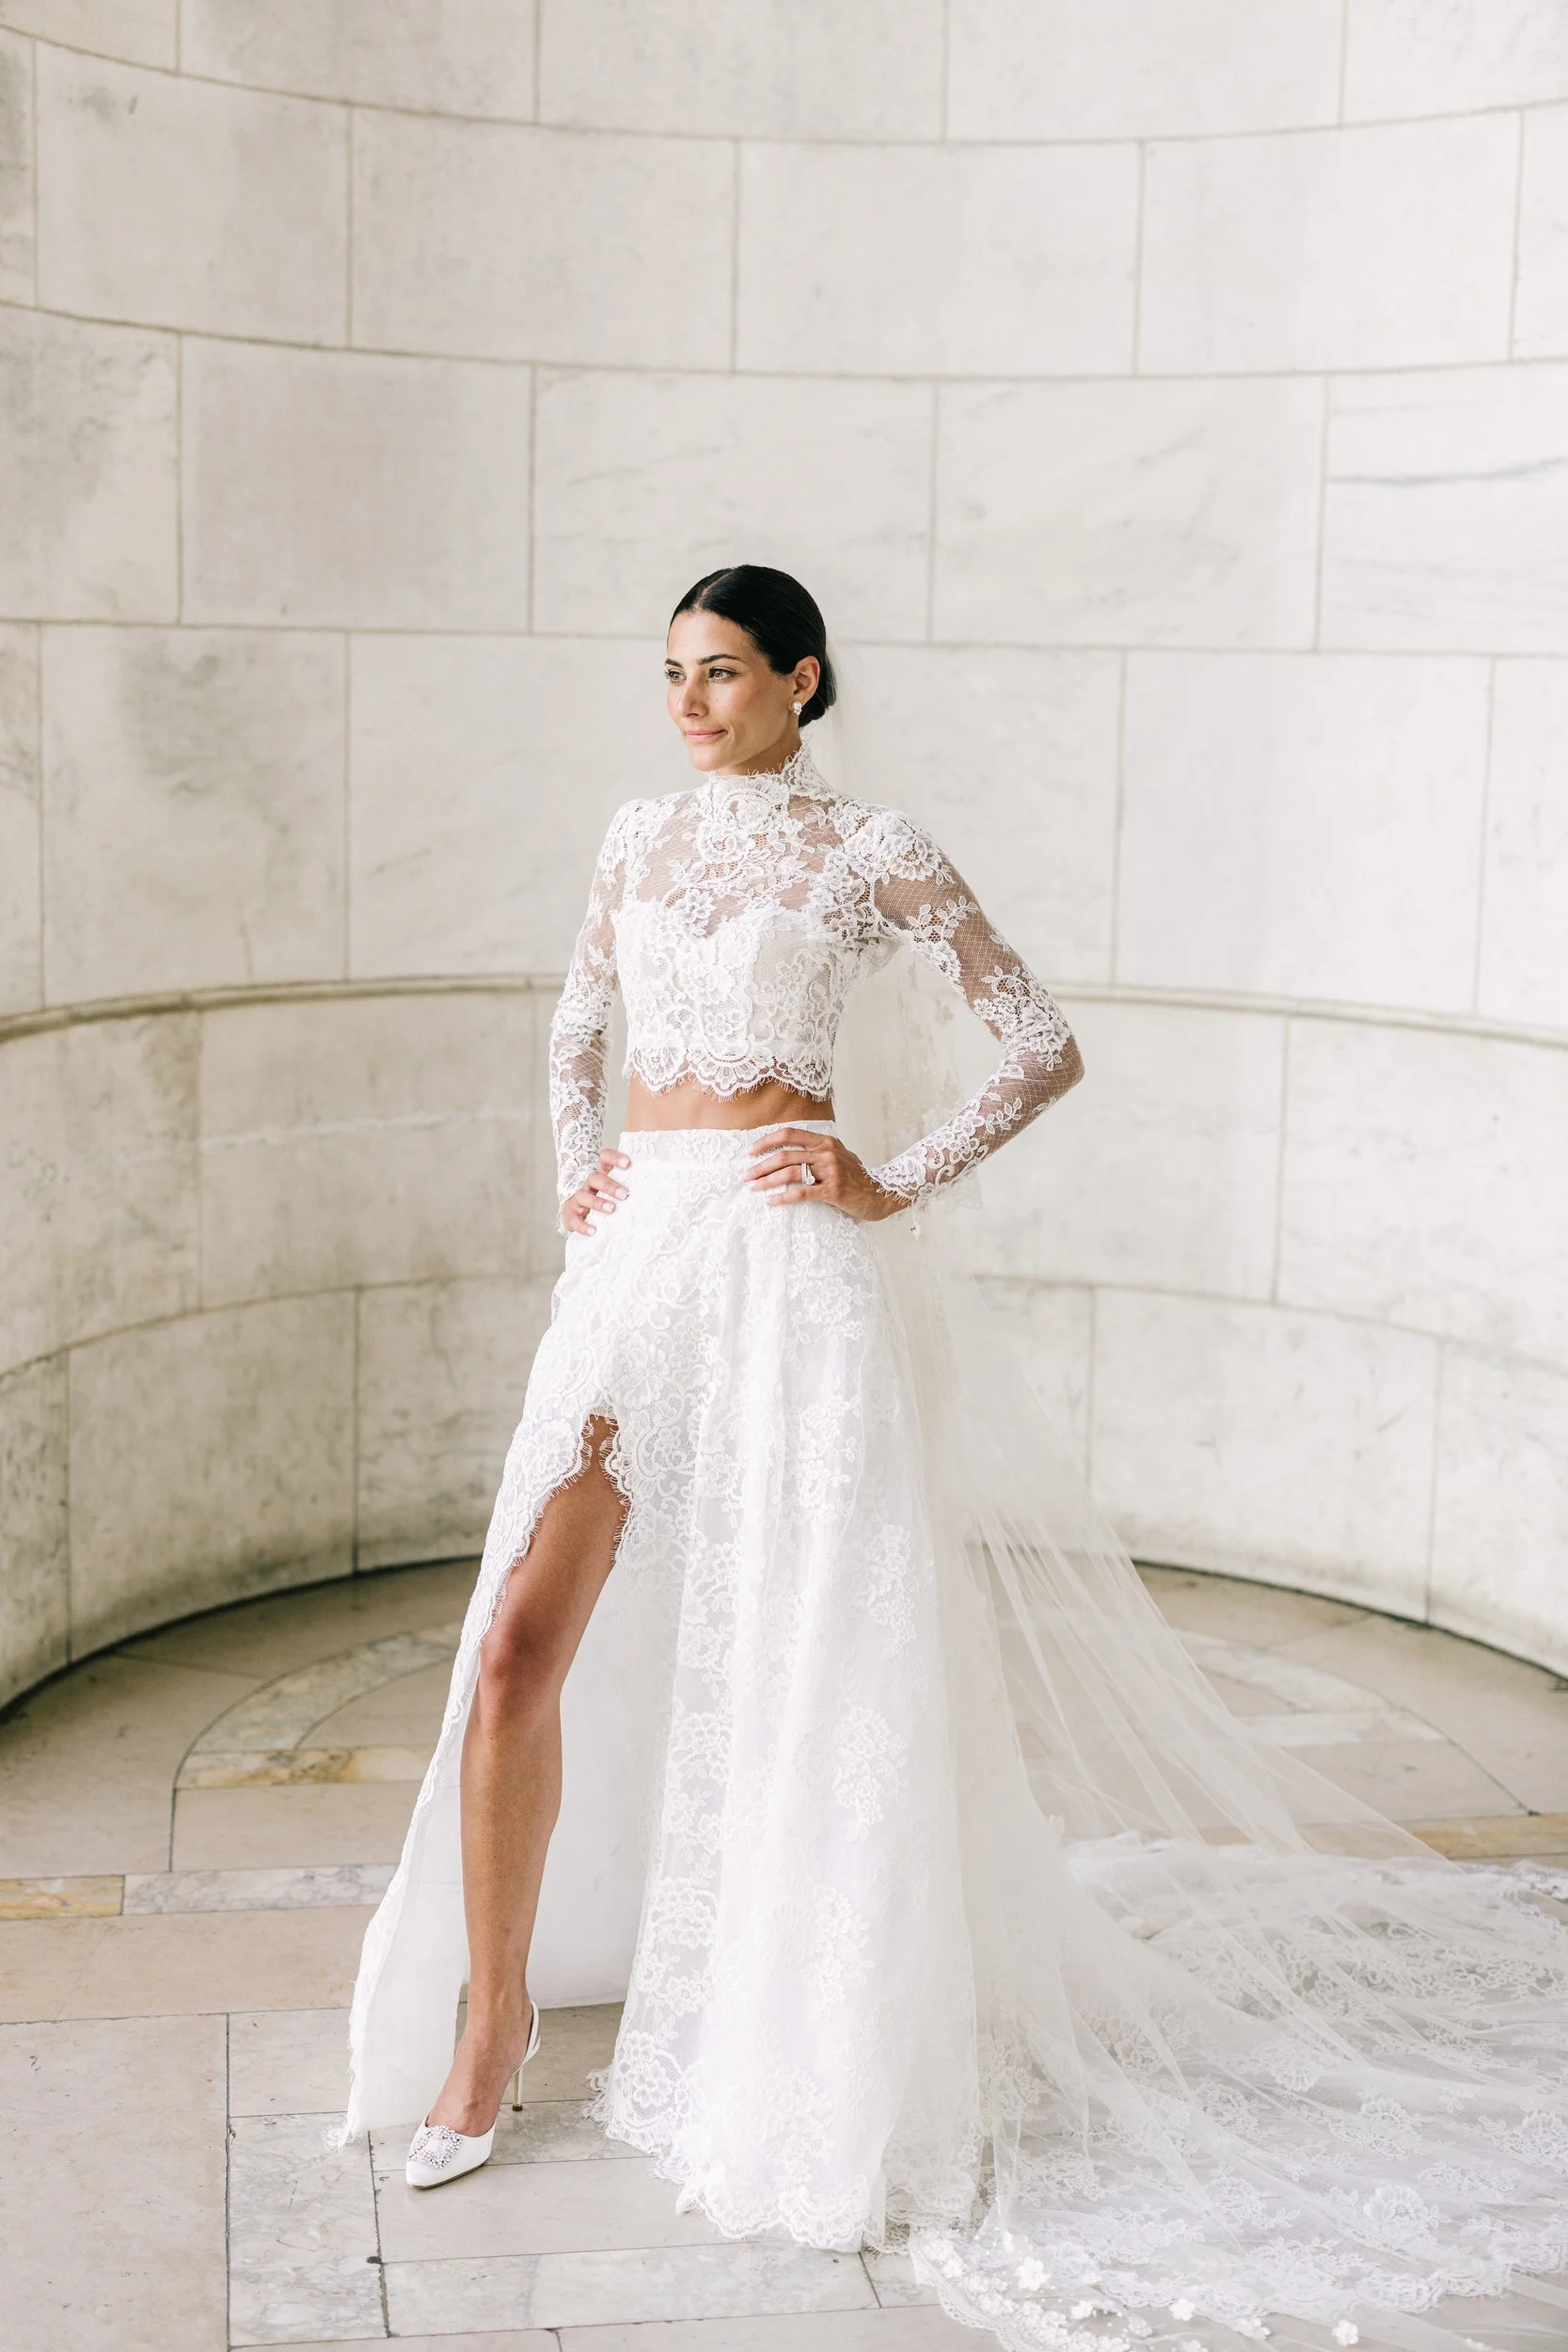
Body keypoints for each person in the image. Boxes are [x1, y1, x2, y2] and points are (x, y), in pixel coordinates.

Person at [344, 566, 1568, 2352]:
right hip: (643, 1258)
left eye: (724, 673)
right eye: (672, 673)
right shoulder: (637, 836)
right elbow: (577, 1024)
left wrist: (883, 1176)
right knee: (520, 1638)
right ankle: (488, 2023)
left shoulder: (866, 847)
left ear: (800, 680)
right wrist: (575, 1175)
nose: (689, 702)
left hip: (793, 1264)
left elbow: (1038, 1041)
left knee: (801, 1656)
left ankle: (802, 2042)